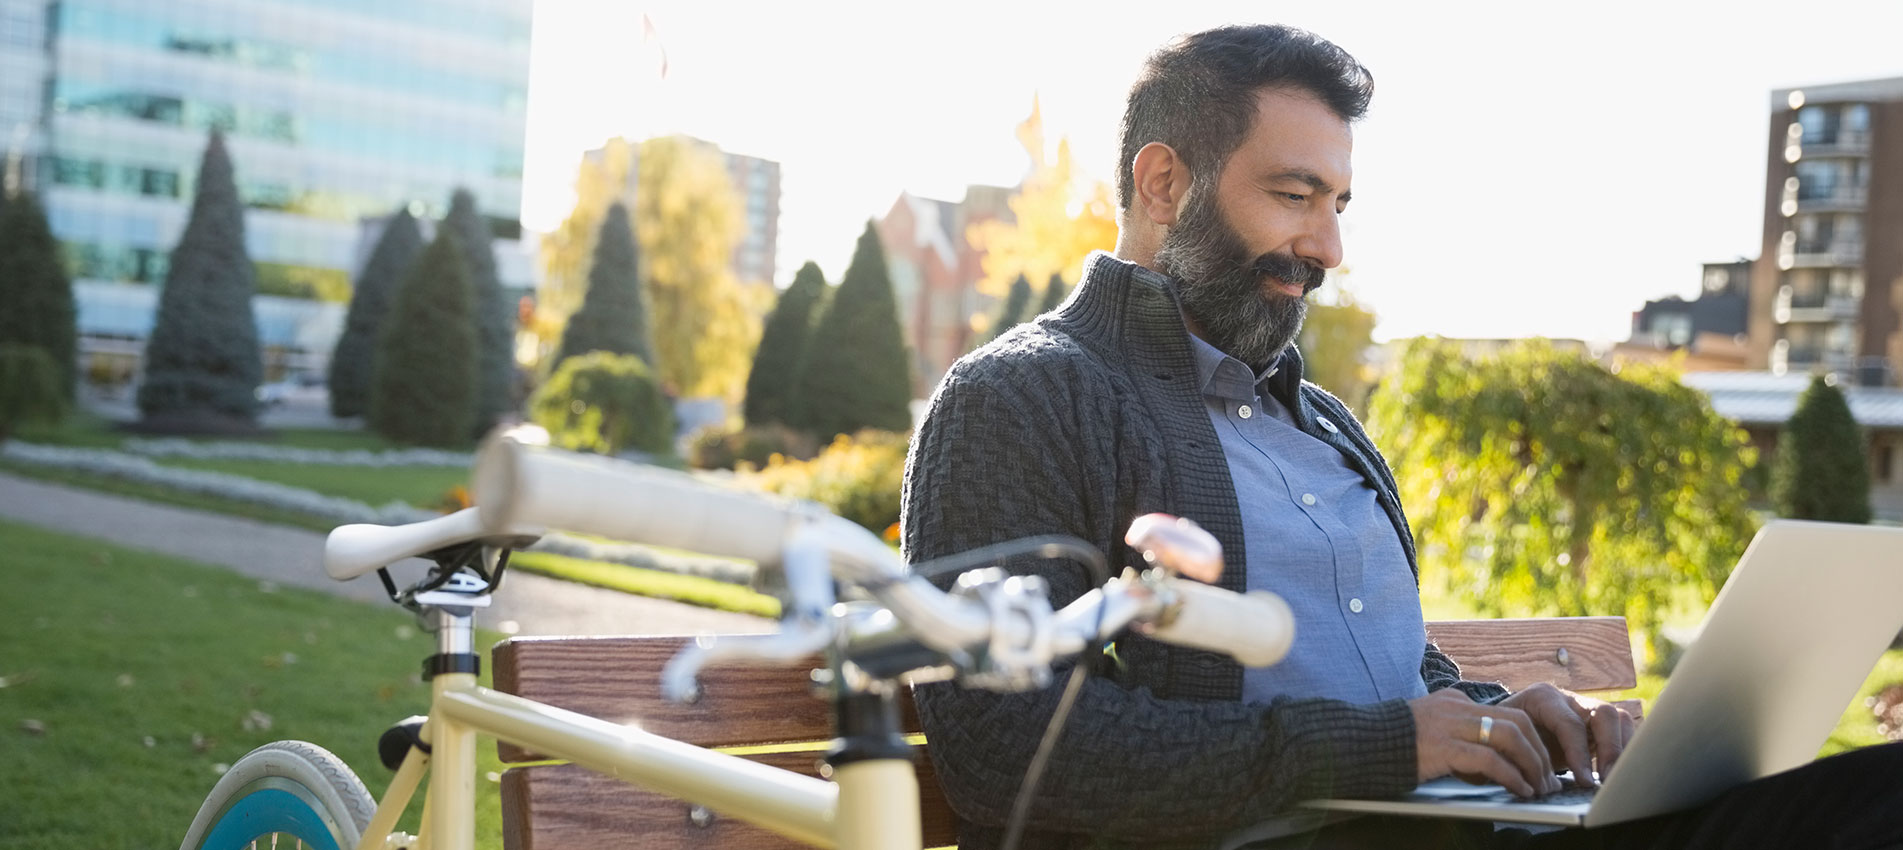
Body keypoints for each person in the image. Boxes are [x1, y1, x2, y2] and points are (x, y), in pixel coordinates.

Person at [899, 23, 1903, 850]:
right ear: (1163, 184)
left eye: (1337, 204)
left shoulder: (1321, 421)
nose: (1328, 246)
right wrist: (1386, 748)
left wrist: (1504, 715)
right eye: (1293, 195)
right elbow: (1003, 747)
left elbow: (1389, 678)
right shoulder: (1023, 397)